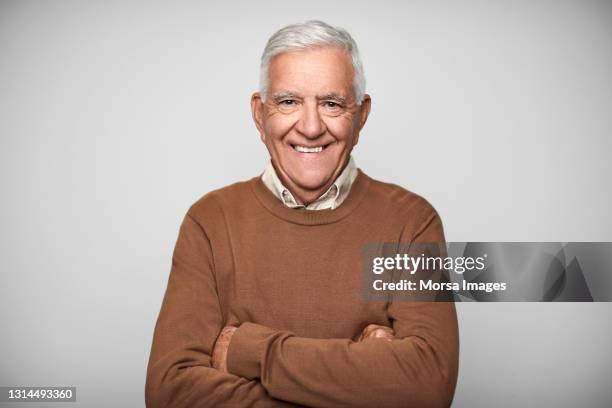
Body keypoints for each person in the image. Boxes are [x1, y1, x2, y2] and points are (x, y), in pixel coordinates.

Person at [146, 20, 459, 407]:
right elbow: (170, 392)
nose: (310, 127)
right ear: (260, 115)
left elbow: (429, 386)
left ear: (361, 115)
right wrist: (360, 383)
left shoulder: (413, 221)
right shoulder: (209, 221)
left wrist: (249, 349)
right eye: (289, 102)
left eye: (331, 103)